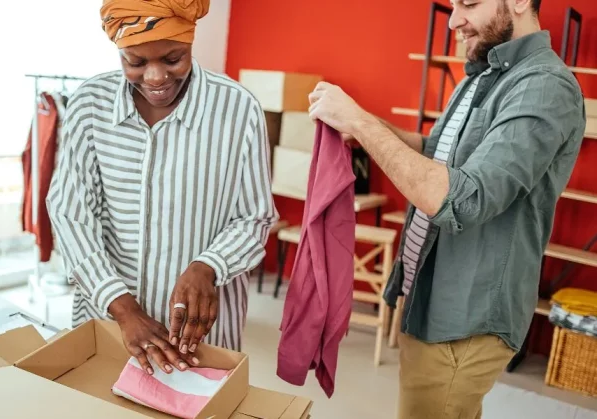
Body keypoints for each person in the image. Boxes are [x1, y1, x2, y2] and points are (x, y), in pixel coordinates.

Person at [308, 0, 586, 417]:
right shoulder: (483, 73)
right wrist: (361, 125)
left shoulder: (545, 86)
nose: (454, 20)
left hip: (466, 316)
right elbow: (435, 155)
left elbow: (464, 198)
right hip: (430, 295)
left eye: (469, 3)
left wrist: (362, 124)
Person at [47, 0, 278, 378]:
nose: (155, 77)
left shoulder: (238, 108)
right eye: (135, 62)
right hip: (107, 325)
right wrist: (121, 307)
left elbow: (254, 217)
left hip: (202, 335)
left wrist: (208, 267)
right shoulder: (91, 104)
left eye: (173, 58)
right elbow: (70, 215)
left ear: (191, 41)